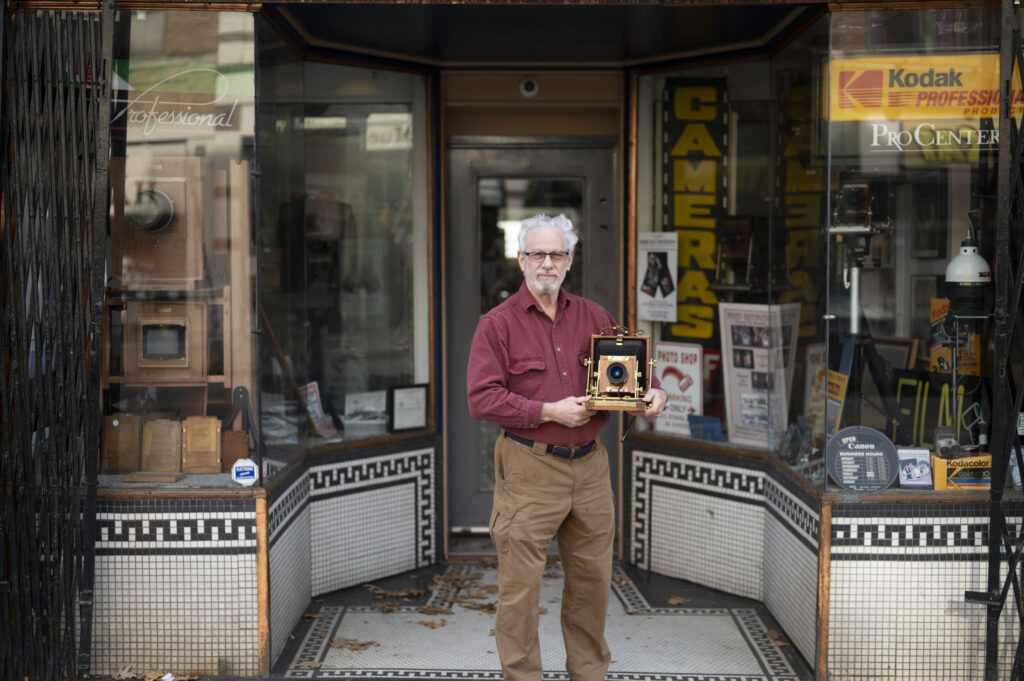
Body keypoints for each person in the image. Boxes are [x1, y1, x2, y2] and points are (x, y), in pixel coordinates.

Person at [466, 213, 667, 681]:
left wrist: (653, 392)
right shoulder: (497, 324)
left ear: (570, 259)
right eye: (537, 253)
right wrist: (548, 412)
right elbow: (481, 397)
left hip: (591, 469)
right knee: (520, 593)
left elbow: (631, 368)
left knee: (592, 587)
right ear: (521, 259)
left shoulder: (595, 316)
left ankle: (589, 675)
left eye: (557, 254)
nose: (547, 263)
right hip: (529, 468)